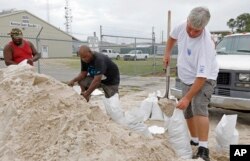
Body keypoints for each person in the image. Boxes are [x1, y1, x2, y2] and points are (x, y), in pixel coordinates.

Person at [163, 7, 219, 161]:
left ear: (204, 28)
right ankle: (194, 139)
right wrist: (167, 53)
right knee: (187, 110)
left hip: (205, 77)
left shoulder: (206, 44)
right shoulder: (182, 25)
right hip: (186, 76)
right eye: (190, 28)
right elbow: (172, 37)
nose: (192, 33)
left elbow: (201, 78)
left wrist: (187, 97)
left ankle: (203, 149)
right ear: (187, 20)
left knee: (198, 106)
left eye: (197, 31)